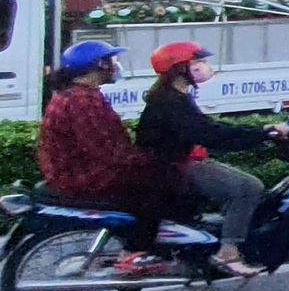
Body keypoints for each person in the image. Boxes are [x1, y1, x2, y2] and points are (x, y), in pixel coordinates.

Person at [36, 40, 184, 277]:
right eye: (112, 61)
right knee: (165, 180)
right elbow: (107, 151)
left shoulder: (74, 95)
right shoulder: (83, 101)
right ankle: (137, 251)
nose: (116, 66)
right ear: (100, 65)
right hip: (84, 175)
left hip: (73, 170)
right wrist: (150, 158)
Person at [134, 42, 274, 278]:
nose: (203, 67)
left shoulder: (172, 97)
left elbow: (208, 128)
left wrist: (258, 132)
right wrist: (263, 134)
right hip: (174, 166)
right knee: (248, 187)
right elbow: (209, 134)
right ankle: (228, 253)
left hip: (172, 163)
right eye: (197, 62)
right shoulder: (172, 102)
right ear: (179, 69)